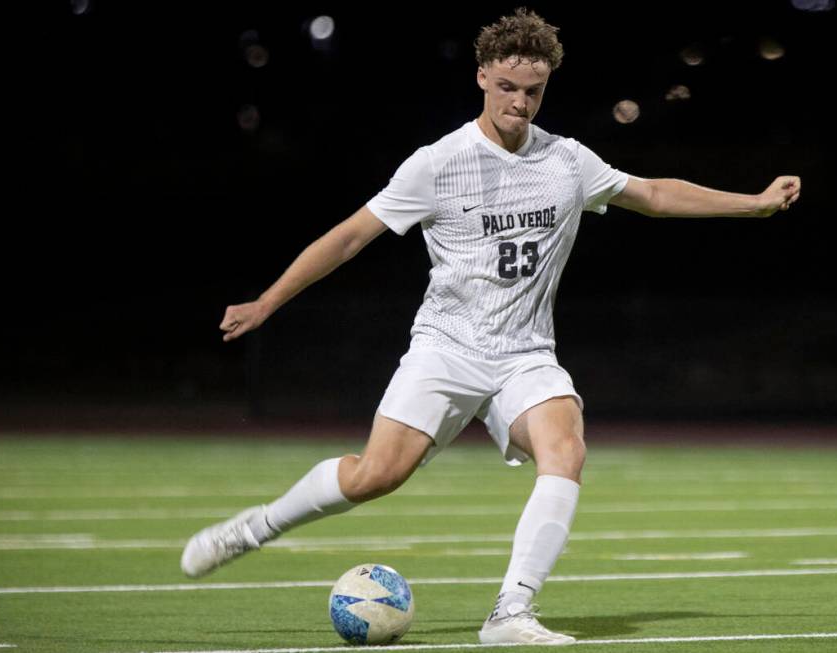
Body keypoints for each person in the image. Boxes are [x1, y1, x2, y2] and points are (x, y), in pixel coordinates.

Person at [181, 8, 801, 645]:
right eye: (508, 87)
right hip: (446, 348)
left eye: (534, 91)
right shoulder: (438, 163)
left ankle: (511, 613)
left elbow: (654, 194)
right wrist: (268, 302)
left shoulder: (566, 161)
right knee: (375, 476)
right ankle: (254, 528)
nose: (521, 102)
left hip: (525, 354)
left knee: (566, 449)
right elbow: (348, 238)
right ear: (482, 77)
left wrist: (752, 204)